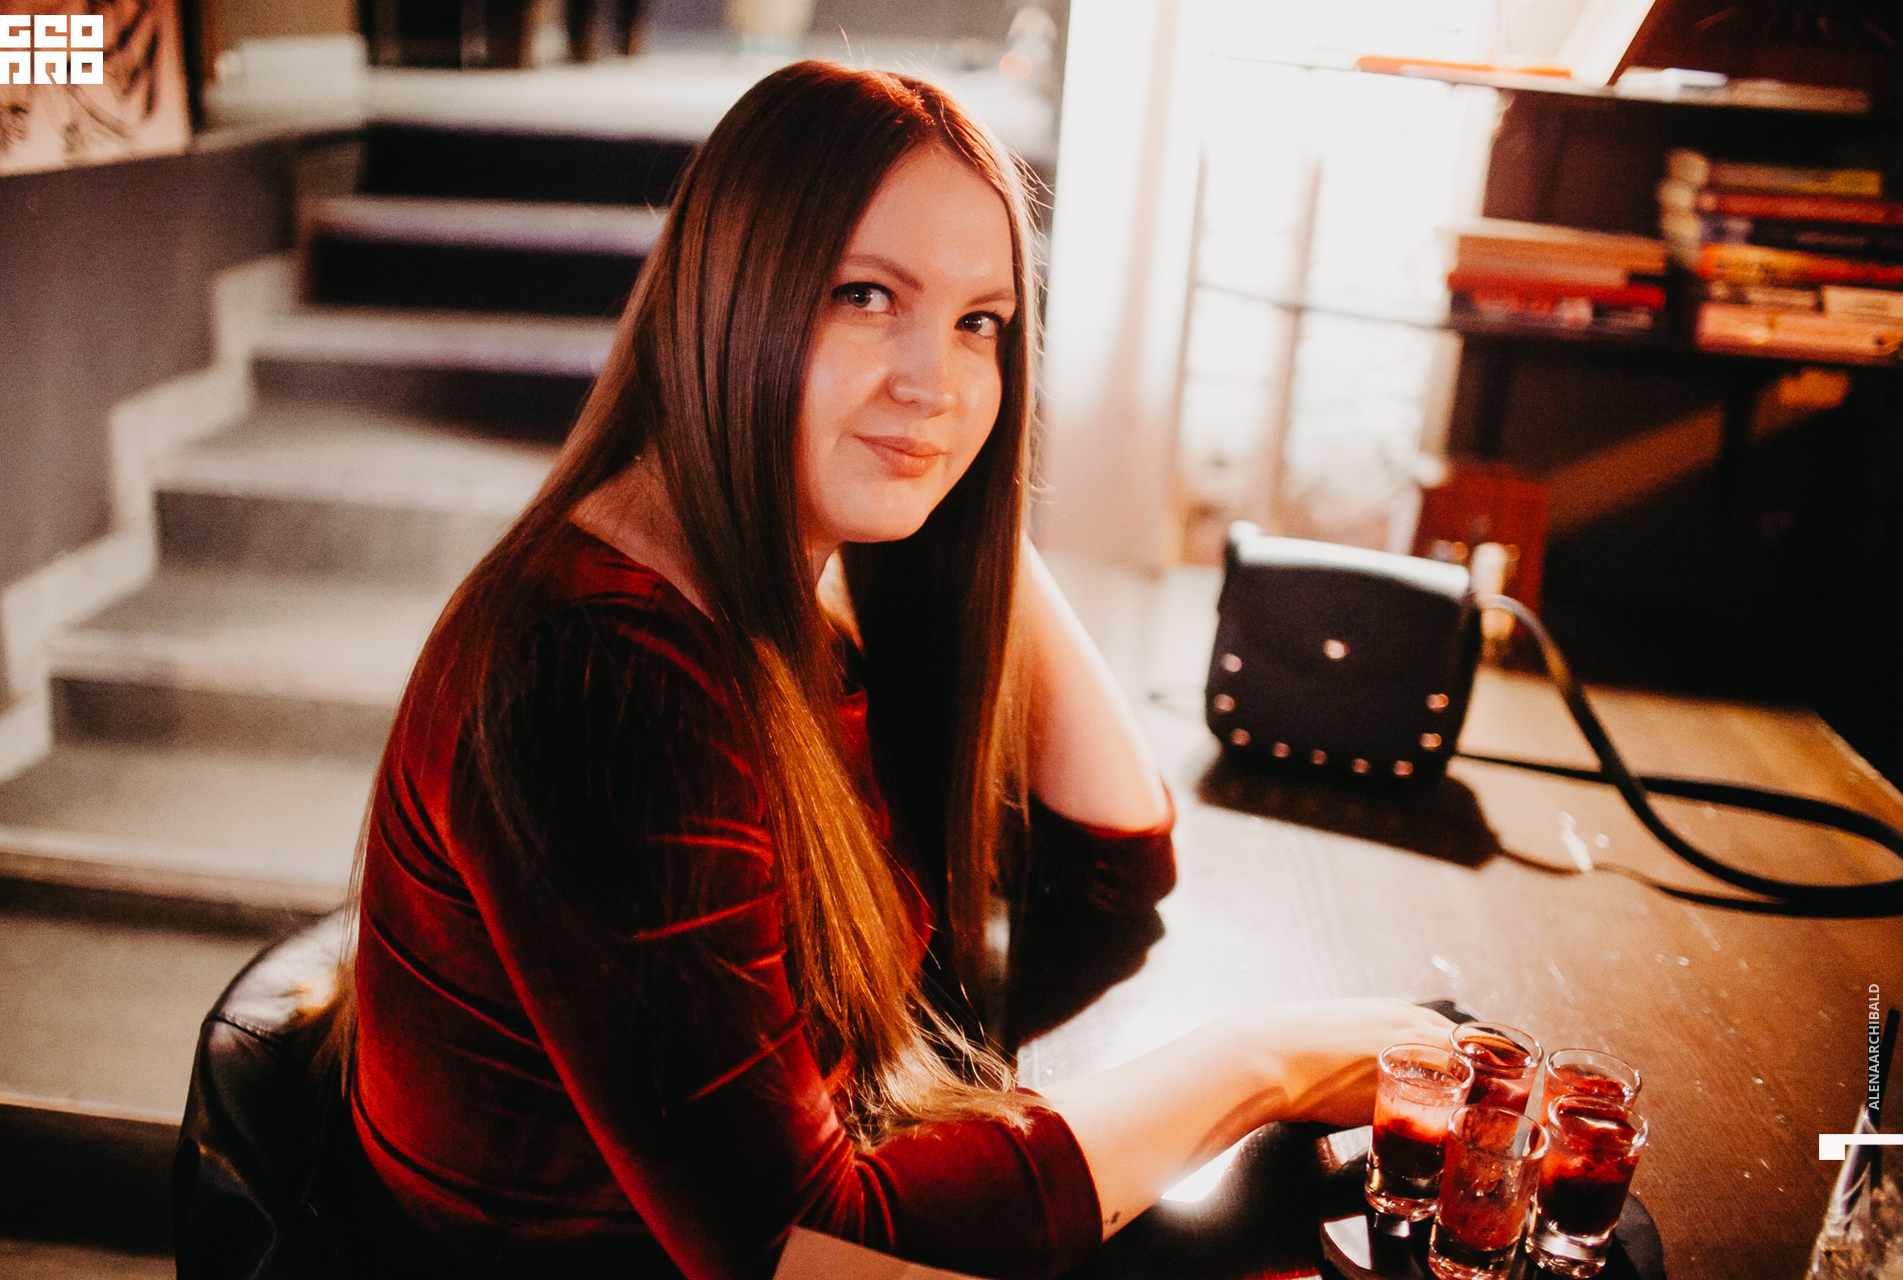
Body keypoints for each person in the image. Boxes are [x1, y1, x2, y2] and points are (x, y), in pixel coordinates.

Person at [326, 61, 1449, 1279]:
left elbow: (1113, 856)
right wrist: (1268, 1065)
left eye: (980, 322)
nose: (937, 378)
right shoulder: (601, 675)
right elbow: (813, 1246)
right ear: (727, 301)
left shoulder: (775, 582)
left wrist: (945, 474)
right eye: (866, 295)